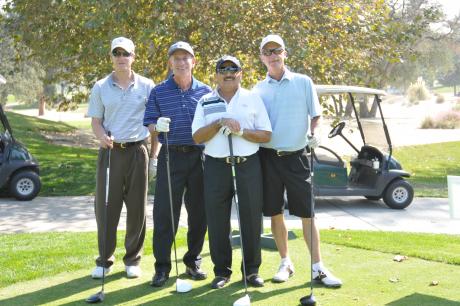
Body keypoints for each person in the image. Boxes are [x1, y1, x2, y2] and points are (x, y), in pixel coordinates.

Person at [253, 34, 342, 287]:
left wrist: (315, 133)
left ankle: (317, 267)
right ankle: (285, 262)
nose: (272, 55)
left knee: (307, 214)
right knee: (274, 212)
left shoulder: (303, 82)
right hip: (267, 157)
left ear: (284, 53)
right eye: (267, 51)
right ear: (262, 57)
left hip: (297, 156)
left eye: (276, 50)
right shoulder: (257, 89)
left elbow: (315, 116)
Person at [192, 56, 272, 289]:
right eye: (222, 69)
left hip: (248, 164)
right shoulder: (205, 100)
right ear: (216, 74)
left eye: (232, 69)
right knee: (217, 221)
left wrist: (241, 131)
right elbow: (197, 136)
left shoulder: (253, 98)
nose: (228, 72)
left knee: (250, 218)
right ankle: (221, 272)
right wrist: (219, 123)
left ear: (240, 73)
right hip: (217, 166)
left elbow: (266, 134)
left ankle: (251, 271)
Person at [144, 41, 211, 287]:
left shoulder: (205, 91)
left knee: (199, 213)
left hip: (199, 156)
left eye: (186, 58)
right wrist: (156, 127)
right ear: (170, 62)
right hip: (170, 156)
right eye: (177, 58)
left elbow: (212, 124)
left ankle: (193, 261)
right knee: (164, 214)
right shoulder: (159, 91)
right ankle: (161, 267)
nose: (181, 62)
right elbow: (149, 122)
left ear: (193, 62)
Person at [87, 37, 154, 279]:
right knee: (106, 208)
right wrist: (101, 136)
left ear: (133, 56)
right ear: (112, 57)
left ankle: (133, 259)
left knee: (137, 208)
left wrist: (153, 157)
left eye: (126, 53)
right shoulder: (100, 87)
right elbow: (95, 121)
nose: (121, 57)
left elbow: (153, 124)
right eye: (117, 53)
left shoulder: (147, 85)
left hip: (138, 151)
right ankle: (104, 260)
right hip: (110, 152)